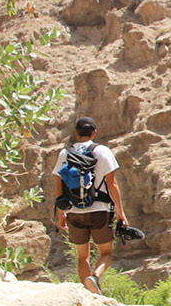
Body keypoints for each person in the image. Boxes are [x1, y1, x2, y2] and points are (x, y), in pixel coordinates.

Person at [51, 116, 130, 294]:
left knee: (82, 257)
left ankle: (88, 293)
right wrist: (120, 212)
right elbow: (112, 184)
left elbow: (59, 186)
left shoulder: (65, 153)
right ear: (94, 132)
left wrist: (61, 214)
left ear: (76, 133)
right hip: (100, 211)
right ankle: (94, 277)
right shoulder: (103, 151)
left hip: (73, 211)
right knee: (106, 253)